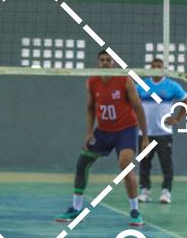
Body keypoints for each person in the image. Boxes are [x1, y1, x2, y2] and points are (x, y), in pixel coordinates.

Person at [56, 50, 149, 227]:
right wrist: (89, 132)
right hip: (103, 131)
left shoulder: (125, 80)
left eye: (108, 60)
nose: (105, 62)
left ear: (113, 63)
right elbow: (90, 108)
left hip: (125, 131)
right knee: (82, 162)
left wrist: (145, 136)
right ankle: (76, 208)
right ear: (98, 63)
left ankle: (135, 211)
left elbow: (138, 107)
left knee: (125, 166)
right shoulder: (92, 82)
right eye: (102, 60)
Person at [137, 57, 187, 205]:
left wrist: (176, 119)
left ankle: (166, 192)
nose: (156, 68)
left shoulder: (172, 85)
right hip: (145, 134)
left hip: (164, 133)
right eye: (153, 66)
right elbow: (132, 102)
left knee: (166, 164)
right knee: (144, 164)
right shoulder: (141, 85)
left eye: (159, 66)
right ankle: (145, 191)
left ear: (163, 68)